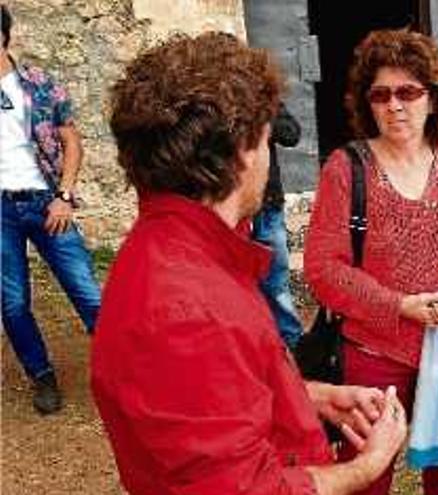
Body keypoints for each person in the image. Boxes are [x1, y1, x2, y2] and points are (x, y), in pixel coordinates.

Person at [91, 32, 407, 495]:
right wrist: (369, 464)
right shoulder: (187, 311)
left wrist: (310, 397)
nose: (268, 158)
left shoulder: (185, 252)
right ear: (243, 151)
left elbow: (219, 395)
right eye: (265, 140)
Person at [304, 29, 438, 495]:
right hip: (373, 358)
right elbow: (323, 269)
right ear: (367, 103)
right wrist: (400, 305)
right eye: (381, 94)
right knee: (364, 480)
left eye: (408, 92)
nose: (395, 105)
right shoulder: (346, 168)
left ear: (432, 98)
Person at [0, 3, 102, 415]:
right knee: (12, 303)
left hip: (46, 202)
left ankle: (133, 370)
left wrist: (64, 196)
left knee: (87, 293)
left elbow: (72, 142)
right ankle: (42, 377)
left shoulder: (39, 83)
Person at [253, 102, 305, 351]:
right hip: (228, 210)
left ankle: (290, 342)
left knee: (276, 279)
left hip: (267, 206)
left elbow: (292, 134)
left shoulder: (265, 97)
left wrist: (259, 120)